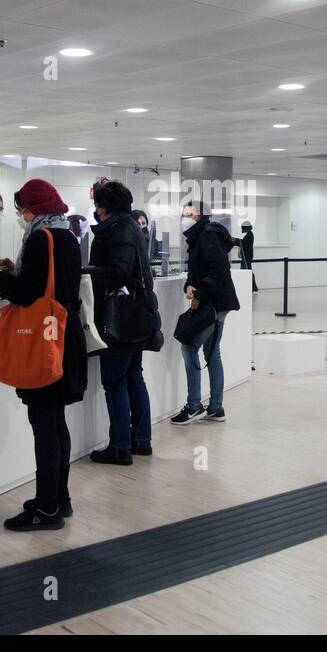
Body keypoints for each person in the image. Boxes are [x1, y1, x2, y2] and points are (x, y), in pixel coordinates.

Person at [0, 179, 88, 530]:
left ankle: (46, 510)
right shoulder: (67, 235)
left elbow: (27, 294)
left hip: (43, 339)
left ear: (34, 208)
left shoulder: (41, 238)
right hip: (63, 335)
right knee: (55, 422)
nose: (20, 216)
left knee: (44, 425)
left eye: (21, 209)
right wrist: (14, 272)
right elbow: (49, 285)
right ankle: (59, 498)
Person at [85, 181, 156, 465]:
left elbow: (118, 272)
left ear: (104, 207)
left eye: (98, 206)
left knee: (115, 382)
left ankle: (120, 446)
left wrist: (85, 272)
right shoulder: (132, 227)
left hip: (119, 318)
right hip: (136, 315)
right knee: (133, 377)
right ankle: (141, 440)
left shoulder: (116, 229)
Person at [170, 200, 239, 424]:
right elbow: (198, 270)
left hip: (215, 303)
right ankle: (216, 407)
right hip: (216, 301)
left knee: (189, 347)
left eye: (189, 213)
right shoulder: (198, 236)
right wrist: (189, 284)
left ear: (200, 215)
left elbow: (219, 269)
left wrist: (199, 294)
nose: (184, 216)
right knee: (212, 352)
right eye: (183, 213)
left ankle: (194, 406)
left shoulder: (207, 234)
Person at [238, 219, 258, 292]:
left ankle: (252, 288)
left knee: (247, 272)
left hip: (247, 256)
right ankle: (253, 288)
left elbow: (242, 243)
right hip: (247, 256)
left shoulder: (248, 235)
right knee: (248, 272)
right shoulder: (249, 234)